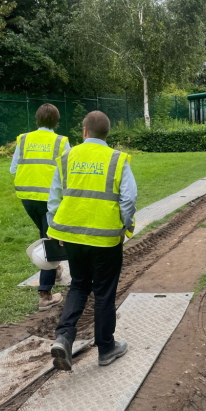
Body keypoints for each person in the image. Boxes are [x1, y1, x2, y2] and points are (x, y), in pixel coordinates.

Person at [47, 111, 137, 370]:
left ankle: (64, 336)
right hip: (106, 239)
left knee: (78, 285)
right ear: (107, 133)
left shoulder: (66, 158)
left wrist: (56, 228)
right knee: (104, 293)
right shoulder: (118, 159)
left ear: (84, 131)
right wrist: (124, 226)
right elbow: (128, 199)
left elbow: (54, 199)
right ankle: (106, 348)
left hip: (72, 237)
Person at [10, 103, 71, 311]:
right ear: (56, 121)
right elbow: (69, 170)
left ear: (37, 120)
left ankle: (55, 270)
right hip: (50, 199)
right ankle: (45, 294)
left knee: (46, 233)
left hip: (27, 197)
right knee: (49, 238)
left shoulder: (23, 139)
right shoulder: (61, 142)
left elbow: (13, 169)